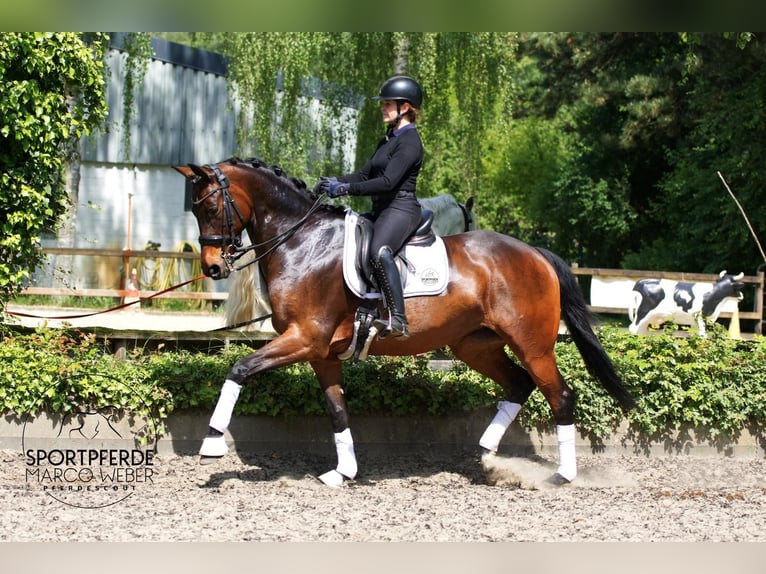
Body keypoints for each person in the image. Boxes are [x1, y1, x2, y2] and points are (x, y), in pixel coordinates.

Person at [315, 75, 424, 339]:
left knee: (378, 250)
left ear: (405, 107)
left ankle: (398, 318)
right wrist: (336, 181)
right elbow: (364, 176)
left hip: (401, 208)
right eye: (383, 104)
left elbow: (387, 182)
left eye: (388, 104)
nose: (383, 109)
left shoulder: (410, 142)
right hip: (381, 210)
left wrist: (345, 190)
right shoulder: (387, 139)